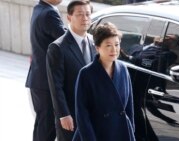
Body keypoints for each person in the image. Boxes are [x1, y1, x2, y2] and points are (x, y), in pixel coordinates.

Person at [73, 22, 135, 141]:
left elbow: (129, 107)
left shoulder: (123, 69)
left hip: (121, 132)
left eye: (116, 44)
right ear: (97, 47)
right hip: (96, 133)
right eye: (108, 45)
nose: (114, 49)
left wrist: (130, 131)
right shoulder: (86, 73)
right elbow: (82, 114)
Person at [46, 1, 95, 141]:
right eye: (79, 14)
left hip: (93, 114)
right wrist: (63, 114)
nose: (85, 18)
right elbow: (56, 86)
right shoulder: (57, 47)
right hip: (71, 116)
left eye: (87, 14)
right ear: (69, 17)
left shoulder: (95, 43)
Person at [25, 0, 66, 141]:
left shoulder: (40, 8)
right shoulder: (49, 13)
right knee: (46, 128)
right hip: (45, 82)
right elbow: (66, 40)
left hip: (39, 79)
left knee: (43, 126)